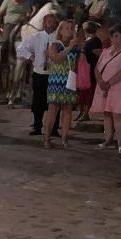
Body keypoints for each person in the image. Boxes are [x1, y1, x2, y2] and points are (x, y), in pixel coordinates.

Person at [92, 24, 121, 154]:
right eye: (116, 36)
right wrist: (100, 81)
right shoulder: (105, 51)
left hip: (119, 86)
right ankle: (108, 139)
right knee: (107, 113)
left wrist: (109, 83)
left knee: (118, 114)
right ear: (111, 37)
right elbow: (97, 68)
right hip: (104, 86)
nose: (119, 39)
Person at [16, 12, 59, 136]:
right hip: (39, 73)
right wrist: (30, 56)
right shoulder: (36, 37)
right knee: (38, 101)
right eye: (48, 21)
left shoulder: (58, 38)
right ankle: (37, 126)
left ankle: (54, 129)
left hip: (53, 74)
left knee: (54, 102)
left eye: (53, 22)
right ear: (44, 23)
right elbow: (20, 48)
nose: (51, 24)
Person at [43, 19, 82, 149]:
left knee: (67, 109)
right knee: (53, 109)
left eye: (72, 28)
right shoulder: (55, 44)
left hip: (70, 80)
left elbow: (79, 63)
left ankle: (65, 139)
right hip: (56, 81)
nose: (70, 31)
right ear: (60, 30)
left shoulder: (77, 46)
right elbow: (56, 58)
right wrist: (70, 47)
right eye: (67, 28)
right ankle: (47, 138)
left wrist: (75, 43)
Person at [75, 21, 101, 122]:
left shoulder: (95, 41)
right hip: (84, 70)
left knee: (87, 93)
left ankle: (85, 113)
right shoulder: (89, 40)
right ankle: (81, 112)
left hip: (90, 69)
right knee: (82, 93)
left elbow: (99, 55)